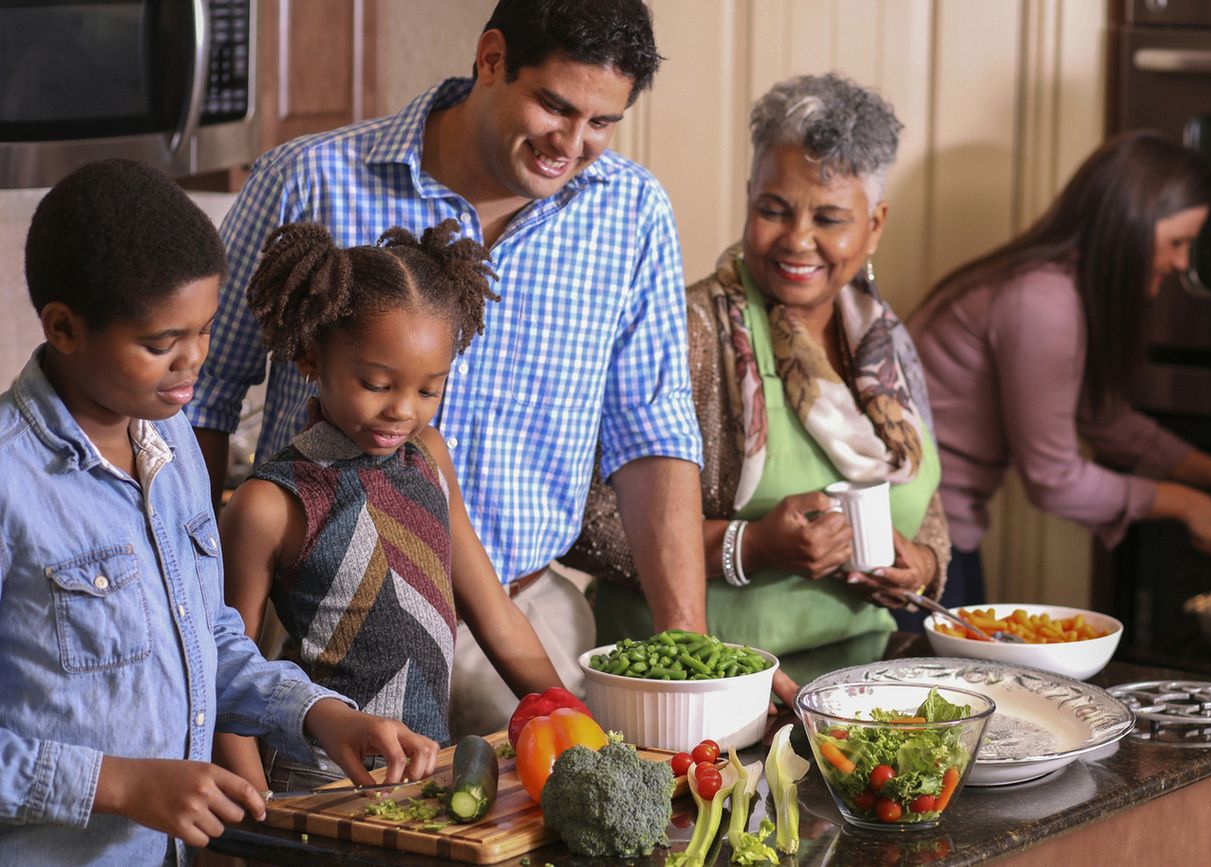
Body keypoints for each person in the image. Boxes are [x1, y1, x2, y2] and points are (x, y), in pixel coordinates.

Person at [183, 0, 706, 736]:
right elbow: (199, 394)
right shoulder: (309, 178)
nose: (574, 142)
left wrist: (689, 652)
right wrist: (196, 606)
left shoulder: (634, 213)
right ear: (491, 58)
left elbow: (653, 431)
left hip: (521, 617)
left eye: (602, 122)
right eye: (555, 106)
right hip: (308, 631)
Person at [0, 158, 438, 865]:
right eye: (160, 343)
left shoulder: (169, 440)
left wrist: (319, 714)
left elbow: (204, 637)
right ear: (64, 327)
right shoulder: (10, 481)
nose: (194, 361)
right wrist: (116, 782)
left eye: (203, 329)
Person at [563, 74, 950, 691]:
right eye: (774, 209)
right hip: (689, 685)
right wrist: (753, 545)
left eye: (829, 217)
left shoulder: (884, 340)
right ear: (748, 197)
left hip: (860, 686)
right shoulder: (686, 330)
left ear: (874, 225)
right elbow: (580, 521)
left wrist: (920, 564)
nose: (797, 240)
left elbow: (925, 501)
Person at [212, 219, 565, 793]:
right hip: (315, 782)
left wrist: (568, 712)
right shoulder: (270, 503)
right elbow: (226, 674)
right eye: (376, 384)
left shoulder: (429, 456)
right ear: (309, 356)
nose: (403, 410)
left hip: (425, 769)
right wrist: (253, 816)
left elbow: (493, 612)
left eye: (429, 389)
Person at [908, 131, 1211, 610]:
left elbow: (1107, 420)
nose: (1182, 263)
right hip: (915, 544)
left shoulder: (1057, 287)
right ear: (1130, 224)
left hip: (938, 536)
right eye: (1177, 242)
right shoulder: (1042, 303)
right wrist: (1185, 504)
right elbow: (1054, 479)